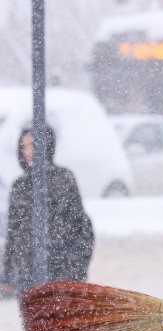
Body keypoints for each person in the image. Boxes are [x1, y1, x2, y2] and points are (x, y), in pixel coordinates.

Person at [1, 126, 94, 296]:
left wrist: (74, 270)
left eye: (33, 145)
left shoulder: (63, 179)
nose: (28, 151)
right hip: (28, 280)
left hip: (62, 277)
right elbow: (14, 234)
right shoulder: (19, 187)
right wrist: (7, 275)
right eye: (24, 146)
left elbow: (82, 228)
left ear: (46, 145)